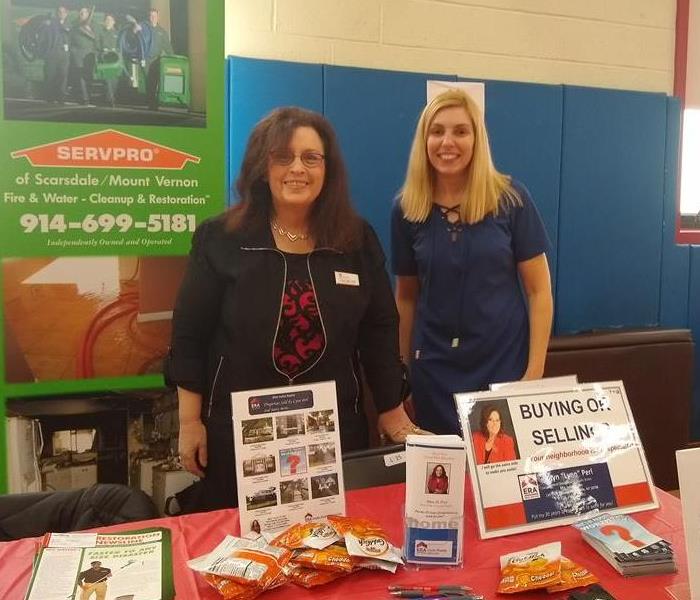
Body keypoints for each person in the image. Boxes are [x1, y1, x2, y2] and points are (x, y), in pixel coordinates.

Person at [168, 107, 421, 511]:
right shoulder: (221, 240)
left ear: (327, 168)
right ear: (261, 167)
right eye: (282, 157)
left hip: (332, 437)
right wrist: (188, 423)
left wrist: (392, 409)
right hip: (241, 440)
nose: (297, 169)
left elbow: (379, 329)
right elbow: (189, 336)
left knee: (329, 549)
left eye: (310, 157)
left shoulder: (355, 240)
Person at [392, 89, 553, 435]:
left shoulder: (511, 199)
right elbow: (406, 297)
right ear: (424, 139)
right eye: (437, 131)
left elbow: (539, 291)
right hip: (433, 373)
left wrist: (534, 374)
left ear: (477, 139)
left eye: (460, 131)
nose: (447, 141)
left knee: (501, 473)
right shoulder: (406, 209)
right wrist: (403, 375)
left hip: (503, 366)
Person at [42, 5, 71, 104]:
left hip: (64, 55)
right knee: (50, 76)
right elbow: (44, 37)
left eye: (63, 12)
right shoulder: (50, 24)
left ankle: (61, 97)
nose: (61, 14)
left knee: (63, 76)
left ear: (67, 13)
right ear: (56, 13)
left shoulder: (70, 25)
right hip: (51, 54)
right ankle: (49, 97)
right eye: (59, 11)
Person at [69, 7, 96, 105]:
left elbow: (95, 37)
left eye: (83, 12)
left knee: (88, 76)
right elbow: (70, 37)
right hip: (78, 54)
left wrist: (88, 30)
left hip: (89, 54)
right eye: (80, 12)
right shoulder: (74, 24)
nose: (81, 14)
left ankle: (88, 95)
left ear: (88, 14)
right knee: (80, 76)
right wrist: (73, 51)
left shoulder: (93, 24)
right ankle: (84, 98)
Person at [95, 13, 119, 106]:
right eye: (107, 20)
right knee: (108, 80)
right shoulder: (101, 33)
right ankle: (110, 100)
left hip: (115, 61)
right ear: (104, 22)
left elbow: (120, 46)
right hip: (105, 60)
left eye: (110, 20)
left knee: (114, 81)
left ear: (114, 22)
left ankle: (110, 98)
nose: (108, 22)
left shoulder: (117, 33)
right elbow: (97, 46)